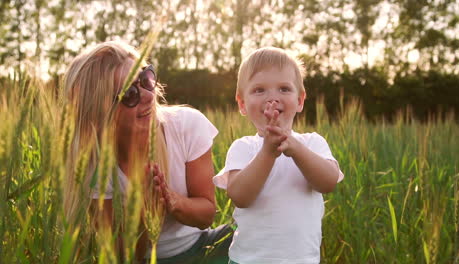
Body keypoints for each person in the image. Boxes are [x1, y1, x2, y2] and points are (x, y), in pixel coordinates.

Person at [63, 40, 232, 263]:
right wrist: (144, 209)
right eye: (129, 94)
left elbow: (206, 215)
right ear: (100, 111)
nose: (149, 96)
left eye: (146, 80)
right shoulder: (94, 161)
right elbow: (124, 255)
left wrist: (173, 201)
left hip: (202, 246)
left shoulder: (186, 125)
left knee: (254, 230)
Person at [213, 47, 344, 264]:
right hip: (248, 260)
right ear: (242, 104)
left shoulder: (312, 143)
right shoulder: (243, 148)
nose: (272, 98)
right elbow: (240, 197)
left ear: (300, 100)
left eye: (284, 89)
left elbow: (328, 182)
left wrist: (296, 149)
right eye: (259, 90)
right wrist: (267, 152)